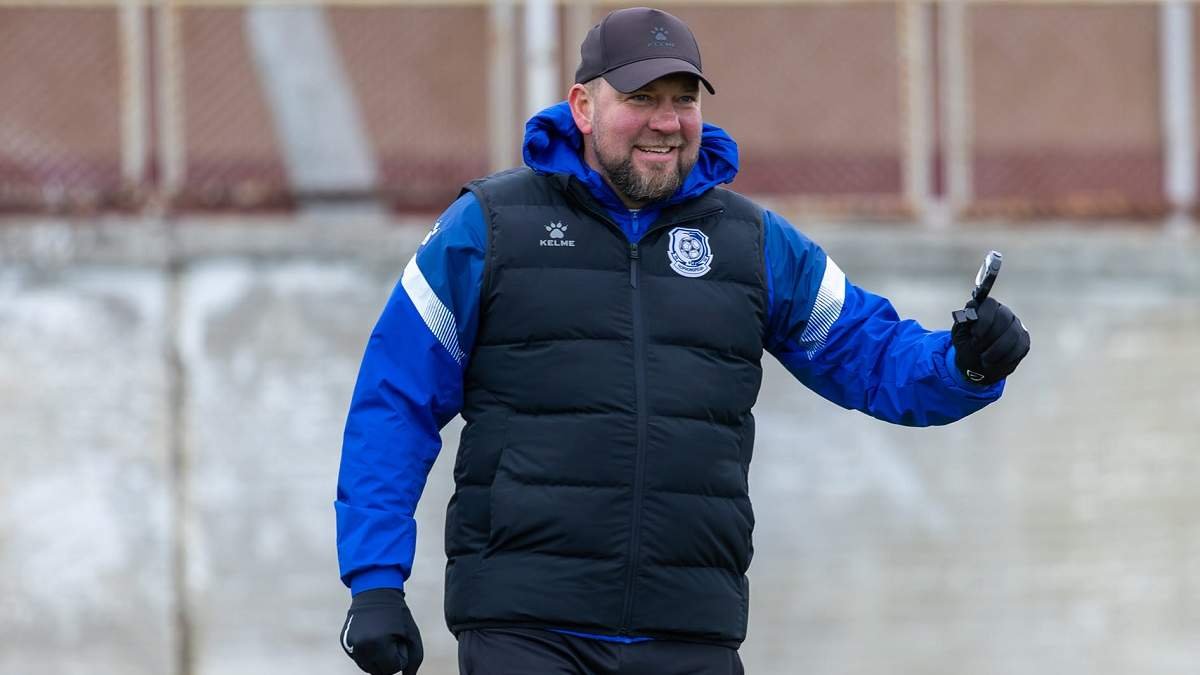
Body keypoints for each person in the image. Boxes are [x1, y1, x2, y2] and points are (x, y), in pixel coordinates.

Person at [335, 7, 1031, 675]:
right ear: (583, 107)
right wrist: (375, 582)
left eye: (684, 99)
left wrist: (963, 363)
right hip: (527, 627)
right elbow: (395, 400)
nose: (666, 122)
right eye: (641, 97)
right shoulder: (488, 227)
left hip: (690, 627)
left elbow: (867, 353)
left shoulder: (753, 243)